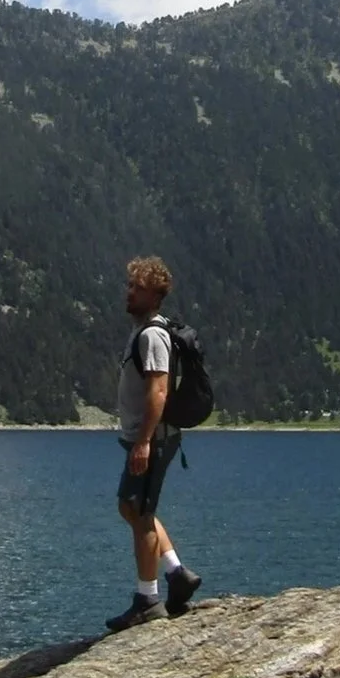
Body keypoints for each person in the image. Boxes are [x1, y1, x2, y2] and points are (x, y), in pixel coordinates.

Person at [106, 255, 202, 632]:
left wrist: (144, 442)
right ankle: (177, 572)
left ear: (155, 295)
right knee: (131, 507)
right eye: (129, 286)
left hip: (153, 439)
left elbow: (158, 391)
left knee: (139, 512)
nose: (129, 293)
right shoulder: (144, 330)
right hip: (147, 437)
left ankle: (147, 600)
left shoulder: (152, 336)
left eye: (138, 289)